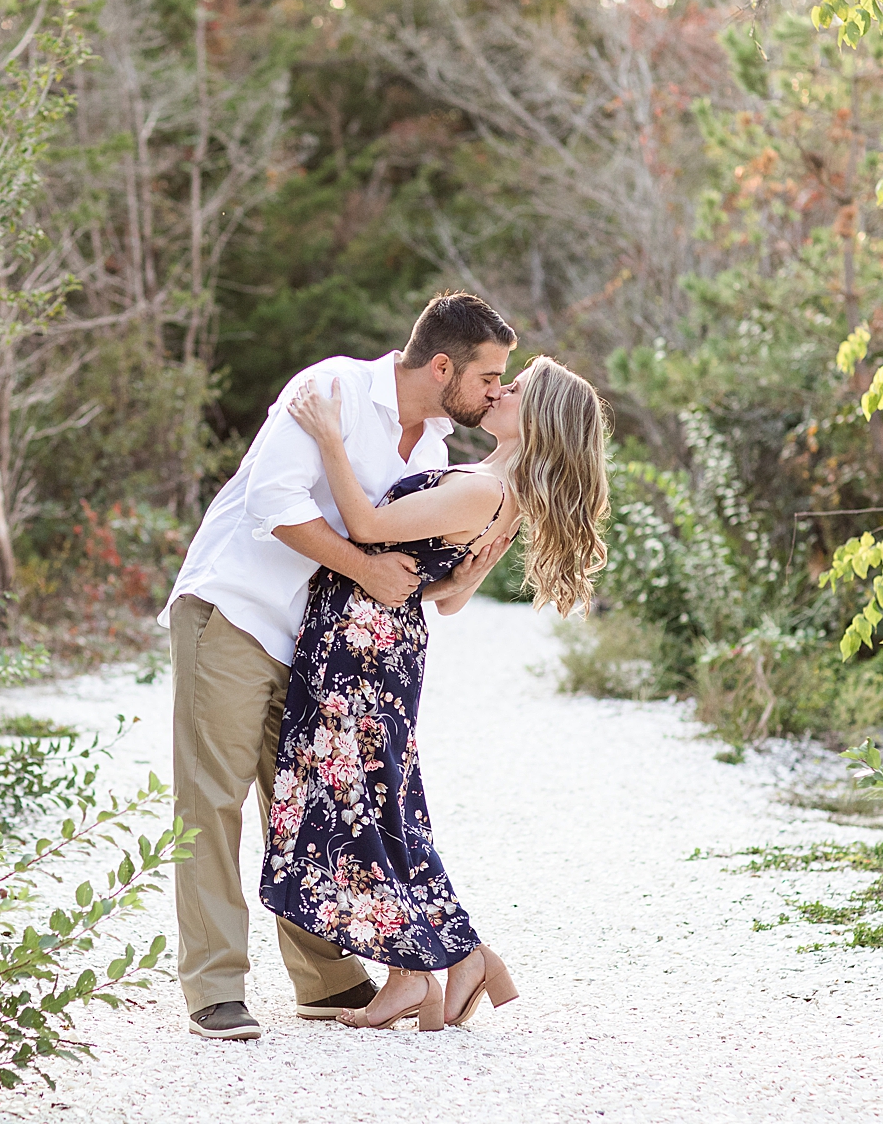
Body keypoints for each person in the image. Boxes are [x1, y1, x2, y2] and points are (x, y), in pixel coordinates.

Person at [161, 292, 517, 1040]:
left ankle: (327, 980)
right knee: (212, 800)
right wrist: (364, 566)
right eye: (488, 376)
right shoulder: (332, 391)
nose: (494, 393)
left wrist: (462, 570)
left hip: (325, 644)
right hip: (238, 609)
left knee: (303, 800)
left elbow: (409, 557)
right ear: (443, 365)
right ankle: (215, 986)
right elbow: (274, 503)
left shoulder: (431, 449)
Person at [259, 355, 610, 1030]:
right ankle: (457, 958)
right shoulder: (500, 489)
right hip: (380, 639)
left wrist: (329, 438)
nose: (500, 392)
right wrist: (457, 577)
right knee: (383, 806)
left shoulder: (485, 490)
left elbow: (362, 526)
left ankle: (418, 970)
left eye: (515, 389)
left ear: (536, 419)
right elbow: (445, 599)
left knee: (362, 808)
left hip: (363, 648)